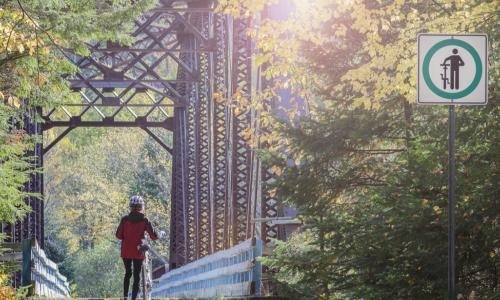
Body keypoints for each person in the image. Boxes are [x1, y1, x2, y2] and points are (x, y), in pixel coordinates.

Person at [115, 195, 164, 300]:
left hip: (126, 251)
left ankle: (124, 297)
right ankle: (133, 298)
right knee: (137, 276)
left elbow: (118, 236)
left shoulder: (125, 219)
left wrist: (127, 235)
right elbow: (153, 236)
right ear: (141, 206)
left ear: (130, 207)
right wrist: (160, 234)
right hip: (138, 251)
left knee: (128, 273)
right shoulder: (144, 220)